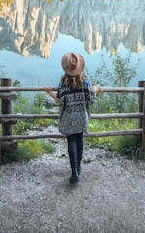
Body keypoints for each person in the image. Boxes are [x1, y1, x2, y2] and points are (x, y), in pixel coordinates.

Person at [44, 52, 102, 184]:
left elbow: (60, 100)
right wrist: (97, 89)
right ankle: (79, 167)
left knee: (71, 141)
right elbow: (91, 96)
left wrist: (49, 92)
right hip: (81, 115)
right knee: (79, 139)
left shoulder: (63, 81)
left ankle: (74, 171)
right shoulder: (84, 80)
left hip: (69, 116)